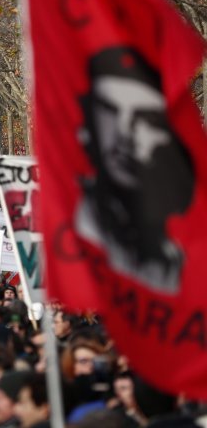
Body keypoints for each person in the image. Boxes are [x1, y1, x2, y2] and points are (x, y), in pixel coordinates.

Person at [76, 46, 193, 293]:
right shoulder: (79, 228)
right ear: (88, 130)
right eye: (110, 112)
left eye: (146, 118)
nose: (126, 135)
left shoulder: (178, 249)